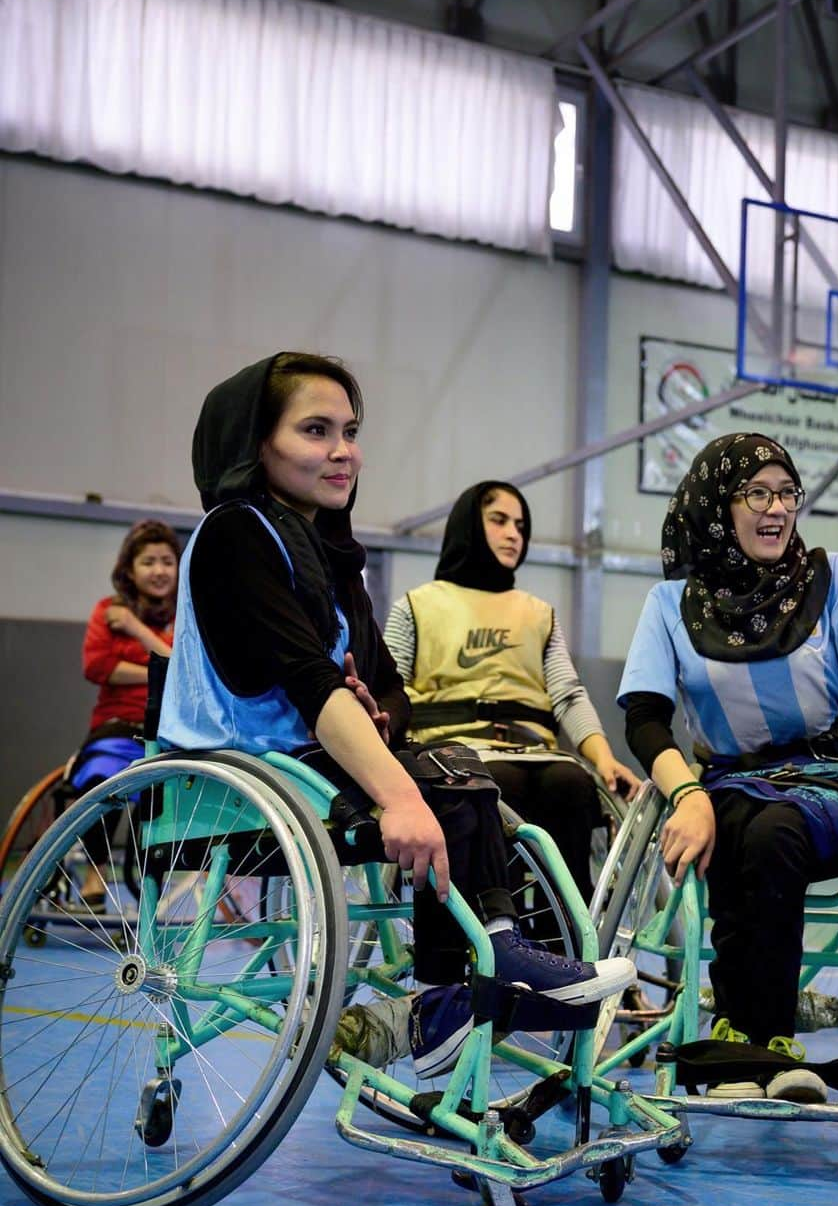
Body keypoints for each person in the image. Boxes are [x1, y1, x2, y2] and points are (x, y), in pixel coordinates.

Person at [156, 352, 634, 1078]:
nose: (343, 450)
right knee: (444, 786)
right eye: (316, 430)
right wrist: (399, 794)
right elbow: (312, 684)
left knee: (465, 775)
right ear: (258, 442)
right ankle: (469, 980)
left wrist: (379, 715)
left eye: (350, 430)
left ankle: (479, 974)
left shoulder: (329, 552)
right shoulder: (236, 533)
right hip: (238, 771)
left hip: (303, 759)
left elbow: (383, 688)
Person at [618, 432, 838, 1103]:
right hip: (720, 782)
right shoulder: (671, 605)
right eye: (757, 493)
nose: (776, 508)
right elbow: (645, 718)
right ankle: (740, 1041)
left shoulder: (831, 578)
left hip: (830, 779)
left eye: (787, 493)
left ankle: (764, 1042)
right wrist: (685, 793)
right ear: (719, 506)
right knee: (736, 822)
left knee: (772, 830)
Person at [383, 479, 639, 904]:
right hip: (455, 752)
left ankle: (563, 931)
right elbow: (390, 690)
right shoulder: (417, 606)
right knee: (494, 786)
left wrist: (605, 759)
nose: (512, 534)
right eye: (498, 521)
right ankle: (494, 924)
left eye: (520, 526)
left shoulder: (539, 615)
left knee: (573, 783)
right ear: (468, 525)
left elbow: (568, 695)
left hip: (534, 751)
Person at [75, 519, 180, 907]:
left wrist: (135, 629)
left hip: (168, 733)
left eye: (167, 562)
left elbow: (180, 668)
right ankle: (95, 871)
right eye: (148, 562)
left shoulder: (186, 617)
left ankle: (148, 885)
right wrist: (158, 672)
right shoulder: (107, 611)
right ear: (130, 570)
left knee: (162, 799)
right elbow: (98, 667)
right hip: (117, 728)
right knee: (99, 778)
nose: (158, 571)